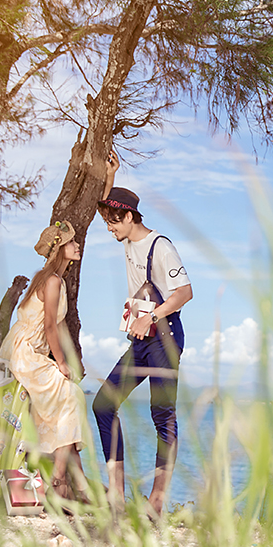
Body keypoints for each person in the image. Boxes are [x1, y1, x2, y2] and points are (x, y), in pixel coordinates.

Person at [93, 154, 192, 516]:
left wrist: (150, 315)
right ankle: (116, 495)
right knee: (103, 403)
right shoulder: (127, 240)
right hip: (141, 336)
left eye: (113, 221)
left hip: (165, 336)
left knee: (162, 415)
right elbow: (111, 213)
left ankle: (157, 503)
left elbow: (184, 293)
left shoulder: (161, 246)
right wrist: (110, 176)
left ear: (131, 217)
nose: (108, 228)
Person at [0, 220, 91, 504]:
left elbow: (59, 326)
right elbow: (50, 326)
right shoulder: (51, 281)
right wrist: (61, 364)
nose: (77, 246)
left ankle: (78, 485)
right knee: (71, 395)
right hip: (25, 352)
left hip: (28, 351)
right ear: (61, 249)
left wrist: (72, 361)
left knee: (67, 401)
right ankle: (59, 481)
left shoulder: (50, 279)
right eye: (72, 242)